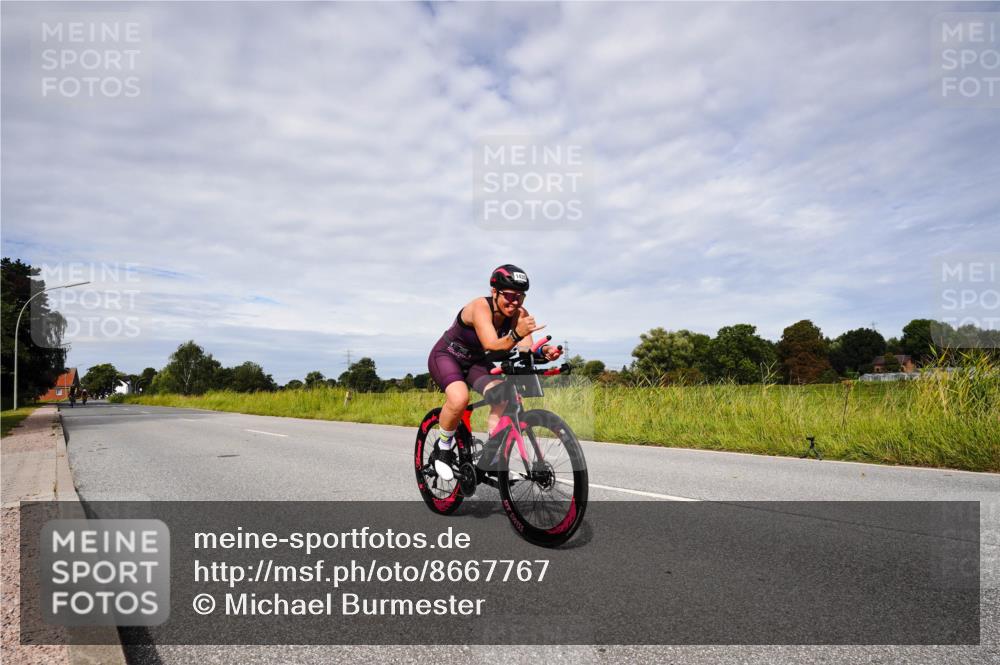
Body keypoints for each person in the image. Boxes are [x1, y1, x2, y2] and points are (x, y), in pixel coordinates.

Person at [426, 264, 562, 480]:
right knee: (460, 398)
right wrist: (517, 334)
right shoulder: (480, 307)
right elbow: (491, 344)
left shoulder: (519, 313)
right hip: (448, 355)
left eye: (520, 296)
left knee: (503, 396)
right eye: (509, 295)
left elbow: (525, 349)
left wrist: (544, 352)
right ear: (494, 292)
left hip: (476, 362)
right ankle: (442, 449)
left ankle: (491, 457)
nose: (514, 302)